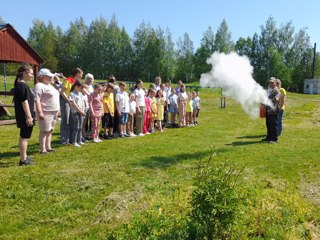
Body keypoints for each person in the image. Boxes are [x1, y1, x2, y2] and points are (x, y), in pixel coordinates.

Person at [34, 68, 60, 154]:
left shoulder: (50, 85)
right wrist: (40, 112)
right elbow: (37, 100)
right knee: (44, 130)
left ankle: (48, 147)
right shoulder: (39, 86)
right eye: (48, 76)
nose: (50, 78)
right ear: (42, 77)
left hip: (54, 111)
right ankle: (43, 149)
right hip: (46, 111)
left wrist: (58, 110)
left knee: (50, 129)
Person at [13, 64, 35, 166]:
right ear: (25, 73)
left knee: (26, 136)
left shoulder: (22, 84)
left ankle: (25, 157)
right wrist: (29, 116)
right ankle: (23, 160)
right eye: (31, 73)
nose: (32, 75)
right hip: (25, 116)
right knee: (24, 137)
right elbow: (24, 102)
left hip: (26, 115)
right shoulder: (21, 85)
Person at [60, 68, 83, 144]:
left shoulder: (76, 82)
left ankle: (71, 139)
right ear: (77, 74)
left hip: (73, 102)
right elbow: (62, 92)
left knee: (72, 121)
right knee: (65, 120)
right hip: (66, 101)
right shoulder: (68, 80)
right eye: (81, 74)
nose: (82, 76)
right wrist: (68, 101)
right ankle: (64, 139)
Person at [69, 81, 86, 147]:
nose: (81, 89)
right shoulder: (71, 94)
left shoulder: (80, 94)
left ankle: (79, 140)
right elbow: (74, 104)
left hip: (81, 112)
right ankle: (74, 141)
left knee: (80, 127)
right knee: (76, 127)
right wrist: (80, 111)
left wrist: (83, 110)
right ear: (76, 87)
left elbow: (83, 102)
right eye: (80, 88)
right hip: (75, 112)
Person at [263, 77, 280, 143]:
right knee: (269, 124)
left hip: (273, 110)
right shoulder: (269, 90)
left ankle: (275, 139)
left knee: (273, 125)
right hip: (268, 110)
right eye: (269, 82)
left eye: (272, 82)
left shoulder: (276, 90)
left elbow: (276, 99)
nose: (270, 84)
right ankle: (269, 137)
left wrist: (267, 100)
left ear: (275, 83)